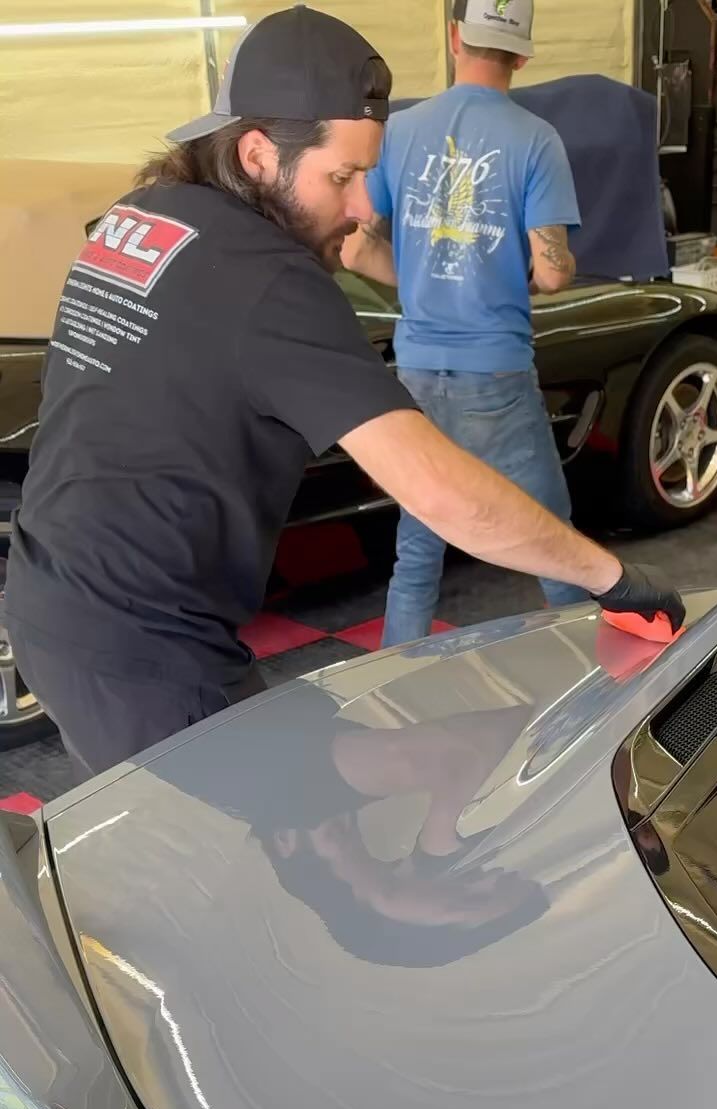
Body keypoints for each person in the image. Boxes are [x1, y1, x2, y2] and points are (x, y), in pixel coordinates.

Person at [3, 4, 682, 783]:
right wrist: (616, 579)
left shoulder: (139, 216)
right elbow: (444, 492)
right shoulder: (271, 279)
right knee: (262, 857)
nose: (363, 207)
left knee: (316, 823)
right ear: (258, 154)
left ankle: (422, 847)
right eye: (344, 176)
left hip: (50, 594)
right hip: (142, 649)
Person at [342, 0, 588, 648]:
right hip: (496, 376)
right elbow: (554, 271)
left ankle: (390, 691)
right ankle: (601, 689)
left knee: (418, 549)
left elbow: (356, 245)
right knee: (555, 544)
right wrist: (538, 265)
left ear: (456, 38)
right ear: (525, 53)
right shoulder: (536, 140)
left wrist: (424, 276)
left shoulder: (400, 130)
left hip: (418, 369)